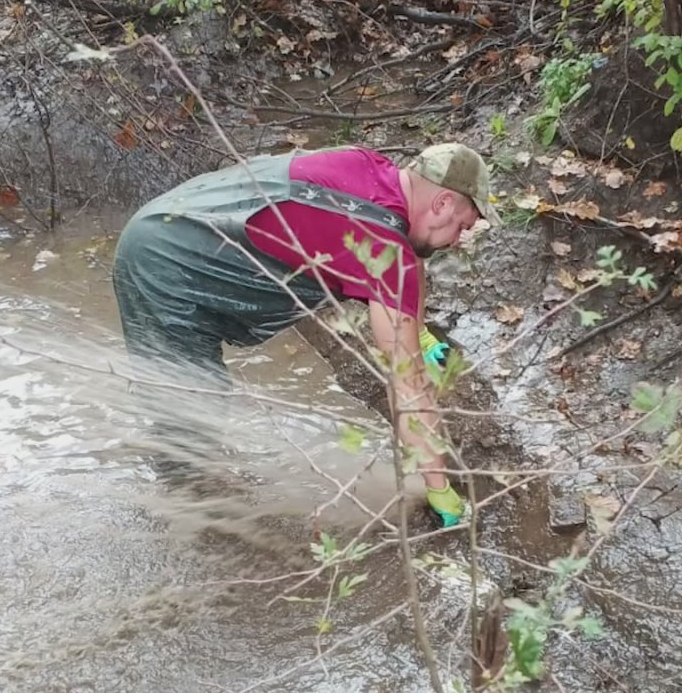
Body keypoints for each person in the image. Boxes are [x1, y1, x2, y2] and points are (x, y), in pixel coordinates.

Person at [111, 143, 500, 527]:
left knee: (195, 402)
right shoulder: (385, 245)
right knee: (194, 412)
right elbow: (408, 387)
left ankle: (186, 497)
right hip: (165, 266)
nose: (457, 240)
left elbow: (404, 254)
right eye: (462, 226)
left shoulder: (368, 167)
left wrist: (423, 336)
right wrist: (439, 489)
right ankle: (184, 534)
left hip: (169, 222)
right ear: (442, 203)